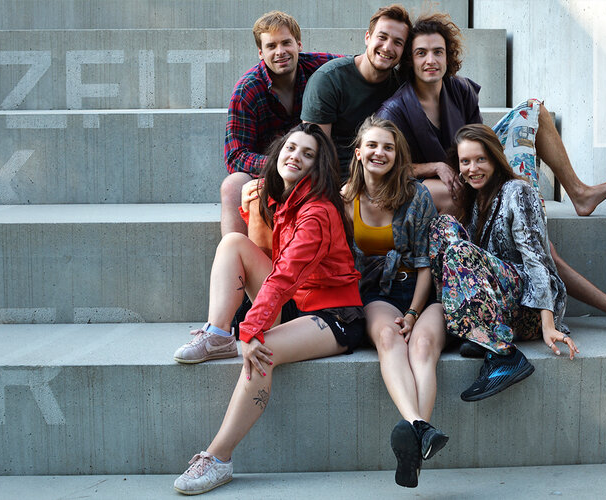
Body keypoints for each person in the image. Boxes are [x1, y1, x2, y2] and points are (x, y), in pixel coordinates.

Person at [377, 13, 606, 337]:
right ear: (410, 60)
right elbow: (389, 166)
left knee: (533, 109)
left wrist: (501, 175)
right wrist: (434, 166)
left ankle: (578, 194)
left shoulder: (459, 90)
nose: (431, 60)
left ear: (449, 56)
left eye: (438, 52)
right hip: (441, 187)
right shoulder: (395, 109)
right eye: (421, 53)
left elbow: (481, 141)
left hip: (473, 170)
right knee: (541, 247)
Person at [172, 124, 364, 495]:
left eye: (307, 154)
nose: (295, 157)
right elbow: (275, 270)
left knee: (263, 350)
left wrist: (251, 330)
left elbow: (284, 276)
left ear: (317, 166)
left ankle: (218, 458)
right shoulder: (283, 198)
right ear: (278, 152)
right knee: (233, 242)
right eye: (291, 148)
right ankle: (217, 334)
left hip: (334, 315)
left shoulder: (317, 213)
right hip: (296, 303)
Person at [430, 124, 578, 402]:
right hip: (499, 303)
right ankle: (465, 325)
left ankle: (504, 357)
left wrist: (548, 324)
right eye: (465, 161)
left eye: (481, 159)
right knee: (442, 226)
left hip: (529, 308)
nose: (472, 168)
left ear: (495, 158)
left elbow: (536, 259)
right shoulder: (476, 199)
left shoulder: (518, 191)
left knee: (461, 251)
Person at [343, 116, 446, 488]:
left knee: (422, 344)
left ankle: (414, 441)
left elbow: (426, 262)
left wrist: (415, 312)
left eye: (388, 147)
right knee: (389, 338)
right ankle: (420, 428)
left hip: (424, 292)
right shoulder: (345, 198)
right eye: (372, 145)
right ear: (358, 152)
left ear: (397, 155)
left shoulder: (416, 195)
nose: (379, 152)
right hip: (377, 295)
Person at [220, 11, 340, 236]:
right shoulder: (247, 90)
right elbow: (235, 156)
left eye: (286, 43)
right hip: (269, 172)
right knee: (232, 184)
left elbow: (359, 66)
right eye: (271, 46)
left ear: (299, 45)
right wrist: (284, 164)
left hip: (316, 165)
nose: (280, 51)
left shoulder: (320, 68)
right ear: (260, 52)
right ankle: (235, 251)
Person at [301, 4, 411, 170]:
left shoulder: (401, 86)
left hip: (384, 175)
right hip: (335, 176)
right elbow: (314, 152)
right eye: (382, 37)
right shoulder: (328, 80)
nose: (387, 47)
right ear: (367, 37)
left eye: (398, 42)